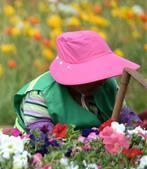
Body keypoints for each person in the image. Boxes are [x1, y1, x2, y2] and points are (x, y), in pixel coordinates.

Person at [13, 30, 141, 133]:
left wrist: (138, 132)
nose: (100, 82)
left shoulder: (108, 85)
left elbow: (128, 120)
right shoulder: (39, 95)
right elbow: (42, 140)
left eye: (101, 73)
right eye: (90, 75)